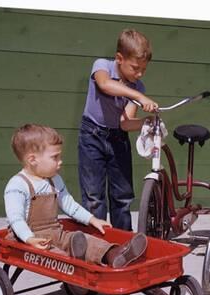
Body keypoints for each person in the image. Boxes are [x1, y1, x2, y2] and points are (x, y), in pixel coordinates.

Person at [4, 123, 147, 268]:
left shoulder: (54, 179)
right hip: (27, 236)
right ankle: (77, 262)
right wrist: (29, 238)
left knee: (83, 239)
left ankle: (114, 254)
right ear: (32, 160)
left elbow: (69, 204)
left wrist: (92, 219)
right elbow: (16, 218)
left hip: (55, 231)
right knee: (56, 255)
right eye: (55, 157)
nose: (60, 162)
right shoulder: (18, 185)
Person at [78, 28, 158, 231]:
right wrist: (139, 98)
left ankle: (123, 243)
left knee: (122, 197)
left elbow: (125, 122)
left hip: (118, 139)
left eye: (144, 70)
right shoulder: (102, 66)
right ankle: (96, 244)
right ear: (119, 58)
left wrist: (146, 121)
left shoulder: (137, 86)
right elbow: (104, 85)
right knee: (94, 196)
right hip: (92, 136)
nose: (139, 74)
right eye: (135, 68)